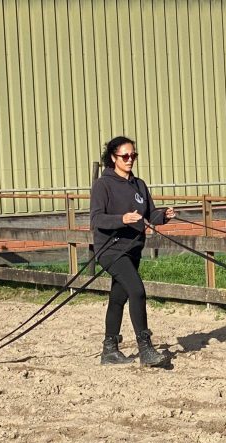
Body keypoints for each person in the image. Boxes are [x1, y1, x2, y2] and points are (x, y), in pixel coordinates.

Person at [90, 136, 175, 367]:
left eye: (133, 155)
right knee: (137, 291)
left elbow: (150, 214)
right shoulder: (103, 185)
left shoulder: (139, 185)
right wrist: (122, 219)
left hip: (133, 249)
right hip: (110, 249)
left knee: (118, 297)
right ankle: (145, 348)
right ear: (113, 157)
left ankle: (109, 350)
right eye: (125, 156)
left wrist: (163, 216)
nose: (130, 159)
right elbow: (97, 219)